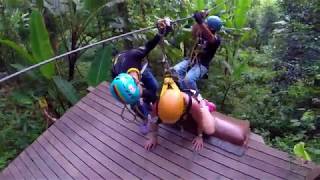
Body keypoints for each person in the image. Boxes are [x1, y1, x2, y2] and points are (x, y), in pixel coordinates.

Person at [110, 18, 172, 133]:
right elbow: (123, 92)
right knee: (135, 104)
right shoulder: (117, 74)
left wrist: (162, 31)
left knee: (153, 86)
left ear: (137, 82)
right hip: (128, 73)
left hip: (140, 68)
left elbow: (150, 45)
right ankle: (145, 118)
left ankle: (153, 105)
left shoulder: (135, 55)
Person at [144, 76, 216, 151]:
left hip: (195, 99)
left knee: (209, 129)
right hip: (179, 107)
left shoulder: (192, 104)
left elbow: (200, 121)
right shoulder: (157, 106)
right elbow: (154, 121)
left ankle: (204, 104)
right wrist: (153, 137)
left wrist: (199, 136)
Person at [173, 12, 222, 91]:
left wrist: (201, 21)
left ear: (212, 28)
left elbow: (210, 38)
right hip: (191, 60)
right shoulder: (202, 31)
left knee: (189, 79)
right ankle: (181, 89)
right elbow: (194, 32)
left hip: (202, 65)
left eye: (206, 24)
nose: (204, 25)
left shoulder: (217, 39)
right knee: (174, 71)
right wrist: (198, 20)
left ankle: (196, 97)